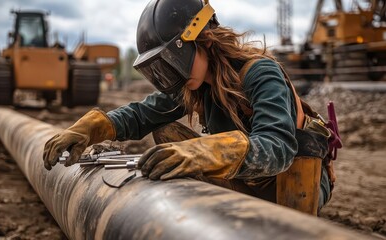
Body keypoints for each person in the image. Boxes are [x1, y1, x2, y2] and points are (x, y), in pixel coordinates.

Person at [43, 0, 334, 213]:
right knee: (168, 133)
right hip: (249, 179)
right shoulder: (196, 85)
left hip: (289, 183)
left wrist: (206, 151)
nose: (171, 75)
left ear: (201, 40)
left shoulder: (259, 73)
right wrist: (93, 128)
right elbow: (142, 114)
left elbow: (277, 149)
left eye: (171, 61)